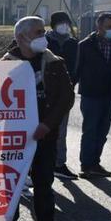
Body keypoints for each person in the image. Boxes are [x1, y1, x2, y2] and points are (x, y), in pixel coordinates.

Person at [0, 17, 75, 221]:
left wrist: (47, 124)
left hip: (44, 137)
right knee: (9, 188)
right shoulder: (2, 66)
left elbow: (66, 97)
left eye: (44, 31)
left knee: (44, 187)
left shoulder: (55, 62)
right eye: (38, 32)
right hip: (12, 140)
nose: (44, 35)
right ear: (21, 37)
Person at [76, 12, 111, 179]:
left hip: (110, 95)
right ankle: (87, 164)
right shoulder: (85, 45)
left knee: (103, 131)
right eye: (109, 26)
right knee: (90, 130)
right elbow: (77, 69)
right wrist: (69, 88)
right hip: (91, 94)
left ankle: (95, 162)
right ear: (99, 26)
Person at [45, 11, 80, 180]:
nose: (64, 25)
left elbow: (77, 67)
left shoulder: (73, 43)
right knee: (41, 129)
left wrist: (72, 83)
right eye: (60, 23)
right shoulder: (44, 41)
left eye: (66, 22)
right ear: (53, 25)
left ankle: (59, 163)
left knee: (61, 130)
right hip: (44, 93)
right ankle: (34, 166)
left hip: (64, 93)